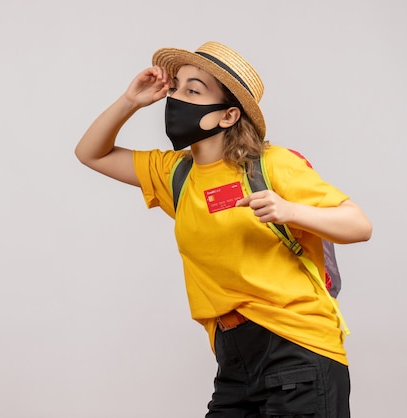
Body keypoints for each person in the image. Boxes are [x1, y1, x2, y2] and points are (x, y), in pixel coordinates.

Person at [74, 41, 372, 417]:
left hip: (298, 349)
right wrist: (130, 101)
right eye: (175, 87)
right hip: (233, 362)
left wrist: (290, 210)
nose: (175, 98)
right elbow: (91, 153)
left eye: (192, 90)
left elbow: (359, 226)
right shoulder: (175, 174)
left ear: (228, 115)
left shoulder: (272, 165)